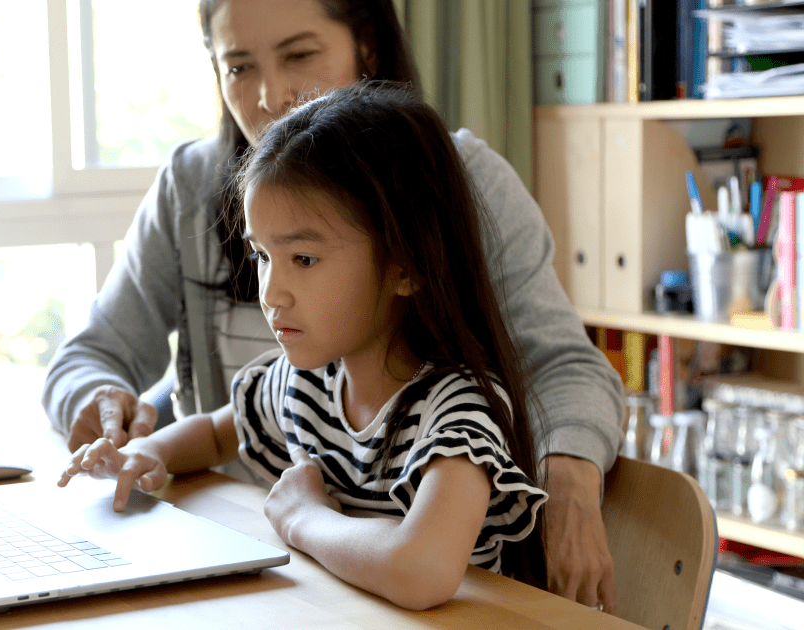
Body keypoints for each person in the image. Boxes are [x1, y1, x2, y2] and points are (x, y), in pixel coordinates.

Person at [41, 0, 623, 612]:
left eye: (298, 54)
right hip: (282, 582)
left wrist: (302, 518)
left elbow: (562, 370)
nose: (271, 97)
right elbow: (212, 423)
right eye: (239, 66)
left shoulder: (452, 411)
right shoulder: (306, 378)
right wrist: (131, 441)